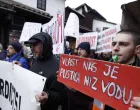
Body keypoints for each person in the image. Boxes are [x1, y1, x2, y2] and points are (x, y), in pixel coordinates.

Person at [24, 32, 67, 110]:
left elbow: (62, 95)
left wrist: (48, 96)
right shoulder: (34, 61)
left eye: (35, 45)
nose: (32, 48)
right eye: (31, 45)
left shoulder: (58, 65)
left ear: (46, 46)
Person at [106, 30, 140, 110]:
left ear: (137, 49)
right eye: (114, 44)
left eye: (123, 44)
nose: (115, 48)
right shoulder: (104, 68)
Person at [68, 42, 93, 110]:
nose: (79, 51)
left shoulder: (94, 64)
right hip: (73, 97)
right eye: (78, 49)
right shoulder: (75, 60)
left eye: (82, 49)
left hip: (84, 100)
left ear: (87, 50)